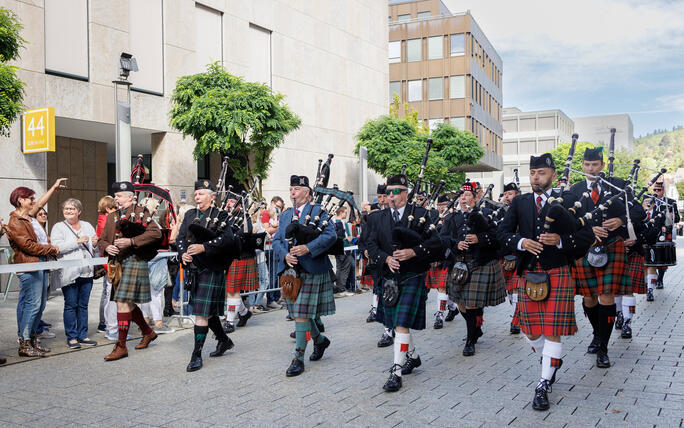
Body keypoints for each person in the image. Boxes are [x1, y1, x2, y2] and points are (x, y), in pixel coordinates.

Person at [498, 153, 593, 411]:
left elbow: (586, 234)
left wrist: (560, 241)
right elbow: (502, 233)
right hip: (528, 270)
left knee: (552, 329)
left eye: (540, 173)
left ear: (553, 175)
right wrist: (520, 242)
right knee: (530, 330)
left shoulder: (570, 200)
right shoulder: (520, 203)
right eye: (532, 173)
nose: (535, 177)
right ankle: (550, 360)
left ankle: (543, 383)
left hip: (558, 269)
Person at [365, 173, 443, 392]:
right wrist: (385, 258)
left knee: (400, 322)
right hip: (388, 277)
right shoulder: (376, 218)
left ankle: (396, 372)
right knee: (399, 324)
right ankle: (413, 357)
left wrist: (413, 252)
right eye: (388, 192)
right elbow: (370, 244)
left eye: (396, 191)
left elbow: (437, 243)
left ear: (406, 193)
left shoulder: (422, 214)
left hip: (412, 275)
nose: (391, 196)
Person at [273, 175, 337, 377]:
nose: (292, 192)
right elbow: (276, 241)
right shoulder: (285, 215)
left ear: (307, 193)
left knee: (300, 314)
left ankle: (298, 358)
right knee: (299, 313)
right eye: (291, 189)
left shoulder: (319, 211)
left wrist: (307, 248)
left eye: (297, 189)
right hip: (290, 271)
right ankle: (319, 341)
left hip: (311, 268)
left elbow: (331, 236)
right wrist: (285, 256)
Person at [570, 147, 628, 369]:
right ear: (582, 166)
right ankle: (597, 332)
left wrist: (620, 220)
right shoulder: (574, 191)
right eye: (587, 165)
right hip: (584, 249)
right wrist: (588, 231)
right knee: (588, 298)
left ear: (602, 165)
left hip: (611, 247)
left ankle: (603, 347)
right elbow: (565, 221)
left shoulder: (617, 186)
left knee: (606, 296)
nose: (591, 169)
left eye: (595, 165)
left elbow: (638, 213)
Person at [97, 181, 162, 361]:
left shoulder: (142, 212)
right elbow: (101, 240)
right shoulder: (112, 216)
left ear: (130, 197)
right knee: (127, 304)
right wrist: (107, 247)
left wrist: (131, 242)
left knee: (122, 302)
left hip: (134, 260)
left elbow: (156, 234)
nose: (115, 199)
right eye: (115, 195)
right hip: (117, 263)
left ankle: (121, 346)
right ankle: (148, 332)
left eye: (118, 196)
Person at [176, 180, 237, 371]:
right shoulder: (190, 214)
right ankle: (224, 340)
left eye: (201, 194)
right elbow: (180, 238)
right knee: (207, 311)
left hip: (211, 268)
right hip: (194, 268)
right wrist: (182, 253)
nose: (197, 197)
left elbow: (228, 240)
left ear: (212, 197)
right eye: (196, 194)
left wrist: (204, 247)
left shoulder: (221, 215)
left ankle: (196, 355)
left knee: (201, 312)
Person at [443, 183, 505, 356]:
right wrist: (456, 244)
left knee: (470, 302)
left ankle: (470, 340)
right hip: (458, 264)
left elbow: (497, 237)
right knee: (461, 304)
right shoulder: (451, 218)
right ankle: (476, 327)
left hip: (479, 263)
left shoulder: (486, 215)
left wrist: (479, 238)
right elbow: (443, 239)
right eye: (461, 195)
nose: (464, 198)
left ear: (475, 198)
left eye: (467, 195)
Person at [6, 178, 66, 357]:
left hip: (39, 263)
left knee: (38, 306)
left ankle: (32, 340)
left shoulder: (28, 216)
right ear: (20, 200)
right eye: (29, 198)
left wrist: (54, 188)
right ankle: (24, 343)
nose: (34, 201)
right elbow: (28, 246)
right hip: (29, 265)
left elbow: (41, 203)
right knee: (32, 305)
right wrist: (51, 248)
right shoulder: (16, 221)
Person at [50, 198, 98, 349]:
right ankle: (71, 337)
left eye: (72, 209)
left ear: (79, 211)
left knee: (83, 305)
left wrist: (95, 243)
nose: (69, 211)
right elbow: (56, 248)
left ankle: (82, 335)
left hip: (86, 272)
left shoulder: (87, 225)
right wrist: (76, 242)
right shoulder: (58, 227)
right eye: (66, 209)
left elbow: (93, 247)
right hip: (69, 272)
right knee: (71, 305)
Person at [223, 195, 257, 333]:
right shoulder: (225, 216)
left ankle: (230, 321)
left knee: (232, 290)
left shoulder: (245, 217)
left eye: (232, 201)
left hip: (240, 257)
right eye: (228, 201)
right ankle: (244, 313)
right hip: (228, 257)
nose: (229, 204)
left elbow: (243, 233)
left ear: (240, 205)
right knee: (229, 290)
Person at [425, 194, 457, 330]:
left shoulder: (452, 219)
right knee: (440, 287)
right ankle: (452, 307)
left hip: (447, 257)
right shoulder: (432, 218)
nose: (442, 207)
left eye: (444, 204)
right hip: (434, 258)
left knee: (443, 287)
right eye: (440, 205)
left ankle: (440, 315)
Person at [500, 182, 522, 334]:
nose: (508, 197)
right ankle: (516, 313)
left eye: (511, 194)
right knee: (509, 289)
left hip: (519, 254)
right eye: (506, 194)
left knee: (516, 288)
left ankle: (516, 320)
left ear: (517, 195)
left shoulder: (524, 210)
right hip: (503, 255)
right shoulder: (498, 211)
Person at [651, 181, 680, 289]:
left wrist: (672, 216)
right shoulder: (649, 201)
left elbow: (677, 218)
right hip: (651, 231)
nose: (656, 192)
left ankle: (660, 279)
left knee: (663, 257)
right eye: (654, 190)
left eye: (659, 190)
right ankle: (652, 276)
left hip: (664, 232)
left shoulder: (671, 202)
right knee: (650, 255)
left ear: (663, 190)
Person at [96, 196, 117, 336]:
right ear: (109, 208)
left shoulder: (102, 219)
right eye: (115, 208)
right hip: (110, 259)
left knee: (108, 292)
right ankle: (109, 326)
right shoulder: (107, 219)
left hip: (107, 259)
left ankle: (106, 324)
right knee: (110, 293)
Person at [262, 196, 284, 309]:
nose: (278, 209)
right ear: (272, 203)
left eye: (280, 207)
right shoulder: (266, 213)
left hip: (278, 247)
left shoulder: (279, 216)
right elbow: (267, 230)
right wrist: (279, 227)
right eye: (277, 206)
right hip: (269, 248)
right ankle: (271, 299)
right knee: (273, 274)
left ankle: (276, 297)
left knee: (277, 273)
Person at [334, 205, 355, 295]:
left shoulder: (332, 221)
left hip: (336, 248)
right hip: (345, 248)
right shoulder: (344, 223)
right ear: (341, 213)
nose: (346, 214)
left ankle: (338, 286)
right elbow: (349, 238)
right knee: (345, 269)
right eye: (345, 212)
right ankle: (341, 287)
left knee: (339, 268)